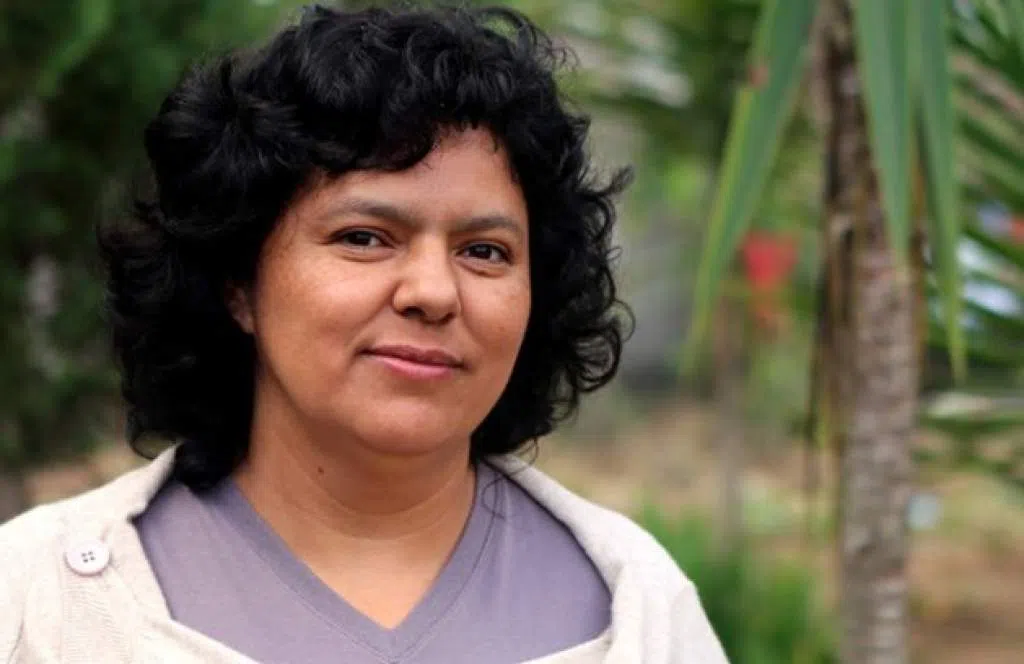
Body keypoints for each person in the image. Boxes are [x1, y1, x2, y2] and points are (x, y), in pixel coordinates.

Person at [0, 5, 727, 663]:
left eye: (484, 251)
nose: (433, 292)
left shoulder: (636, 611)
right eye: (365, 237)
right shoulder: (38, 602)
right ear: (238, 283)